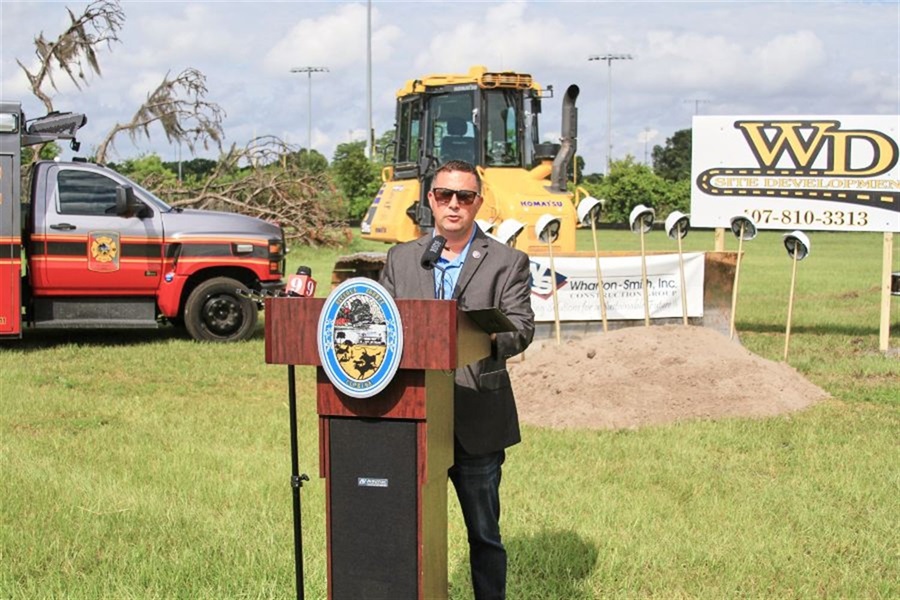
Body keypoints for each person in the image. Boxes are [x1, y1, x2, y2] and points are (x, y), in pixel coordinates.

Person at [379, 160, 534, 599]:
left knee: (484, 534)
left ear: (477, 204)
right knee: (406, 529)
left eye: (464, 197)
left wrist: (475, 337)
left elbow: (521, 327)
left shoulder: (508, 262)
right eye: (444, 195)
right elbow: (383, 323)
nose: (453, 204)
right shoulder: (401, 258)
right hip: (411, 415)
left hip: (477, 416)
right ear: (430, 199)